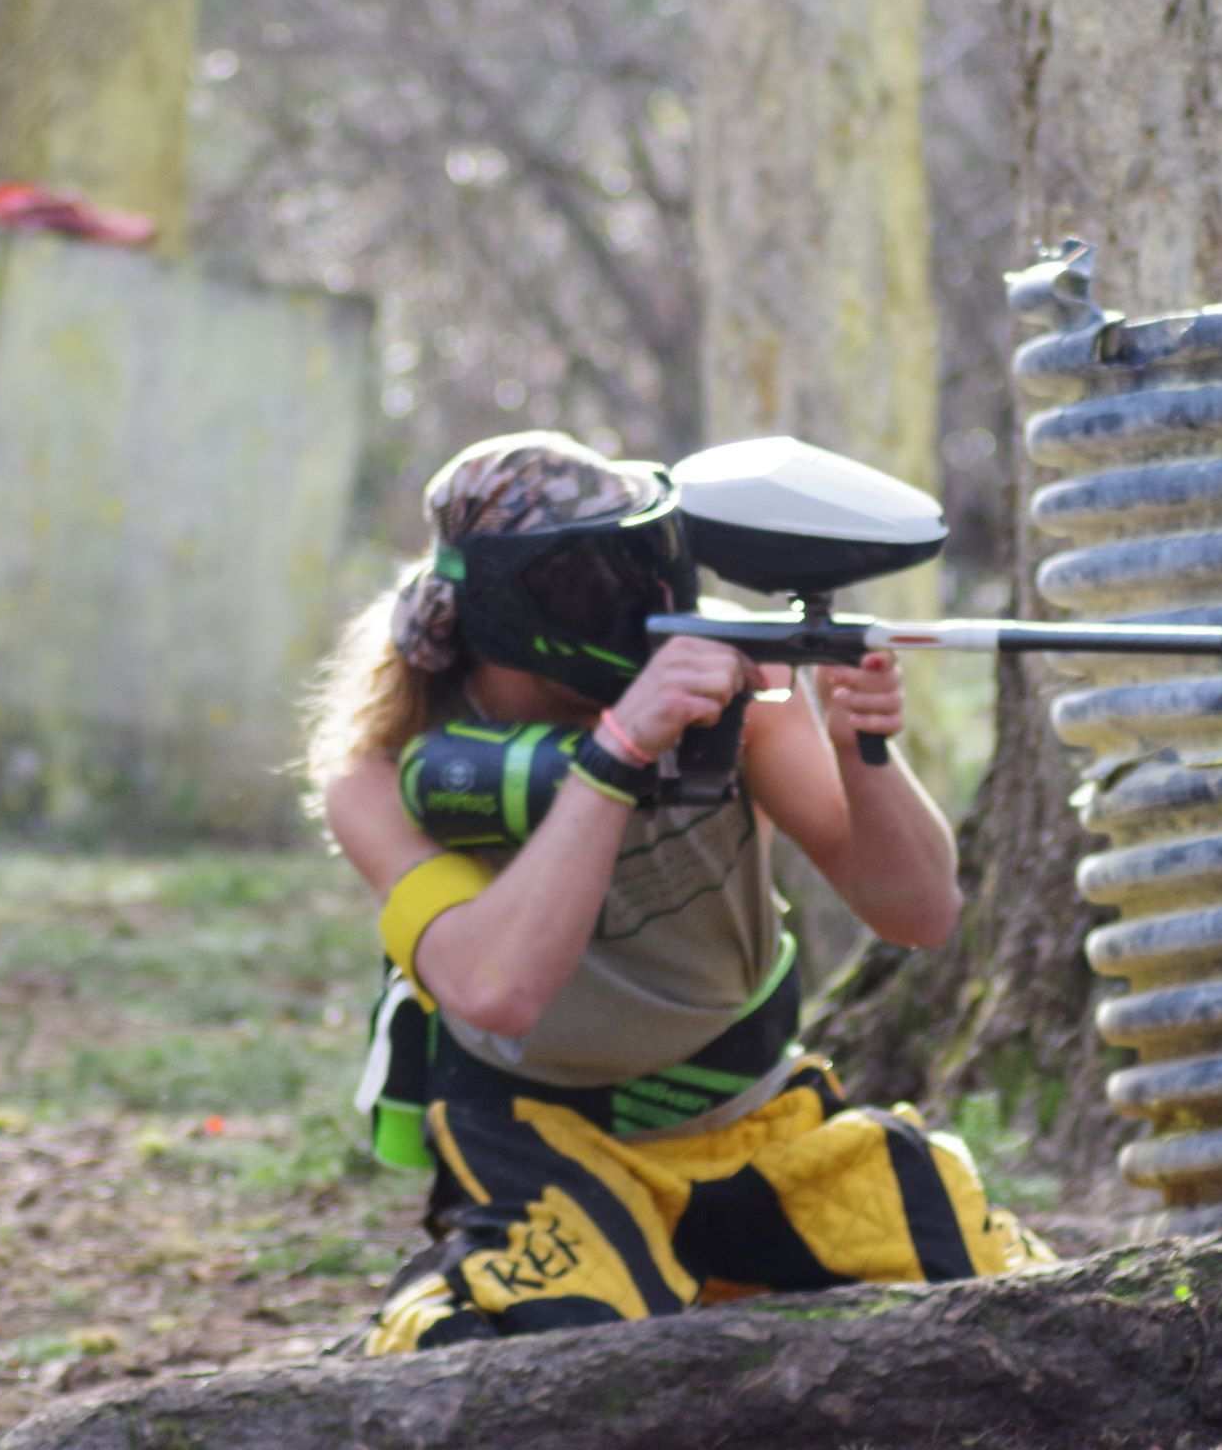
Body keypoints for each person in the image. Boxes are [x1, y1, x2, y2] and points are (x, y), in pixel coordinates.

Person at [302, 430, 1051, 1355]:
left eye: (653, 563)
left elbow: (920, 913)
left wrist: (865, 750)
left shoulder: (731, 677)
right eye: (598, 583)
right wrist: (619, 752)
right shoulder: (378, 772)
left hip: (758, 1120)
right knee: (534, 1362)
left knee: (988, 1293)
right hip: (543, 1143)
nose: (648, 603)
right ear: (506, 608)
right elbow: (497, 990)